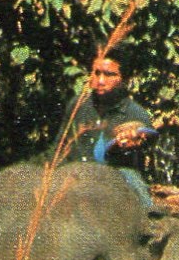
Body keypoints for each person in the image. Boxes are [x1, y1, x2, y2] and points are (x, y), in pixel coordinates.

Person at [58, 47, 159, 204]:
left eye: (110, 74)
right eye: (97, 73)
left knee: (131, 178)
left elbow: (146, 134)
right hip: (73, 179)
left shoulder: (134, 113)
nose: (100, 81)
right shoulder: (78, 105)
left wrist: (134, 138)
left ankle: (149, 219)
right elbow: (60, 146)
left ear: (125, 80)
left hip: (112, 184)